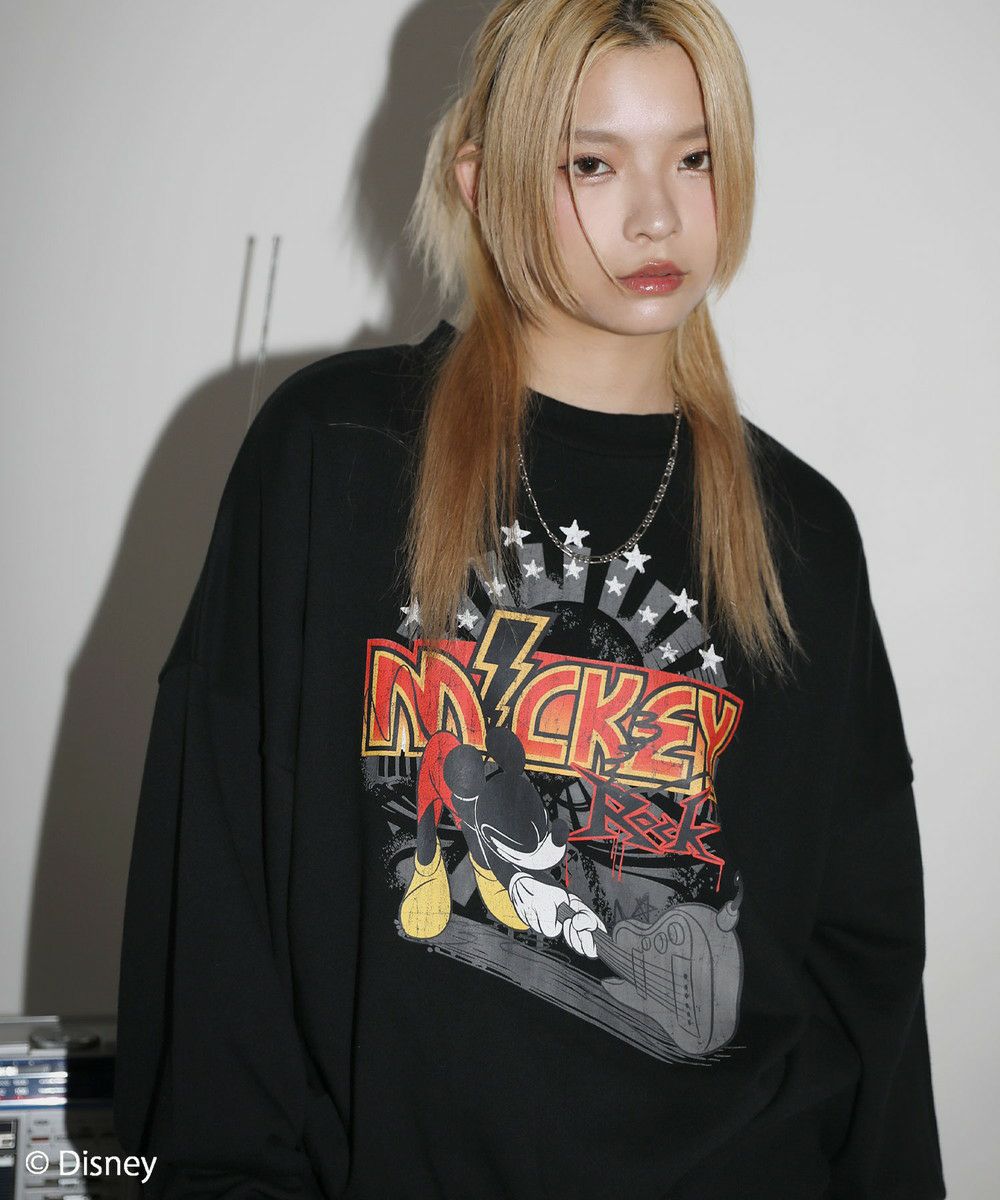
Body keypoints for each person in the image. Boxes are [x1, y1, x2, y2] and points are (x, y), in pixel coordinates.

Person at [113, 2, 946, 1198]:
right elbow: (216, 901)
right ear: (480, 182)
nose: (656, 215)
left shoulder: (800, 533)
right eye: (591, 164)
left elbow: (863, 972)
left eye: (695, 157)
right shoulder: (335, 456)